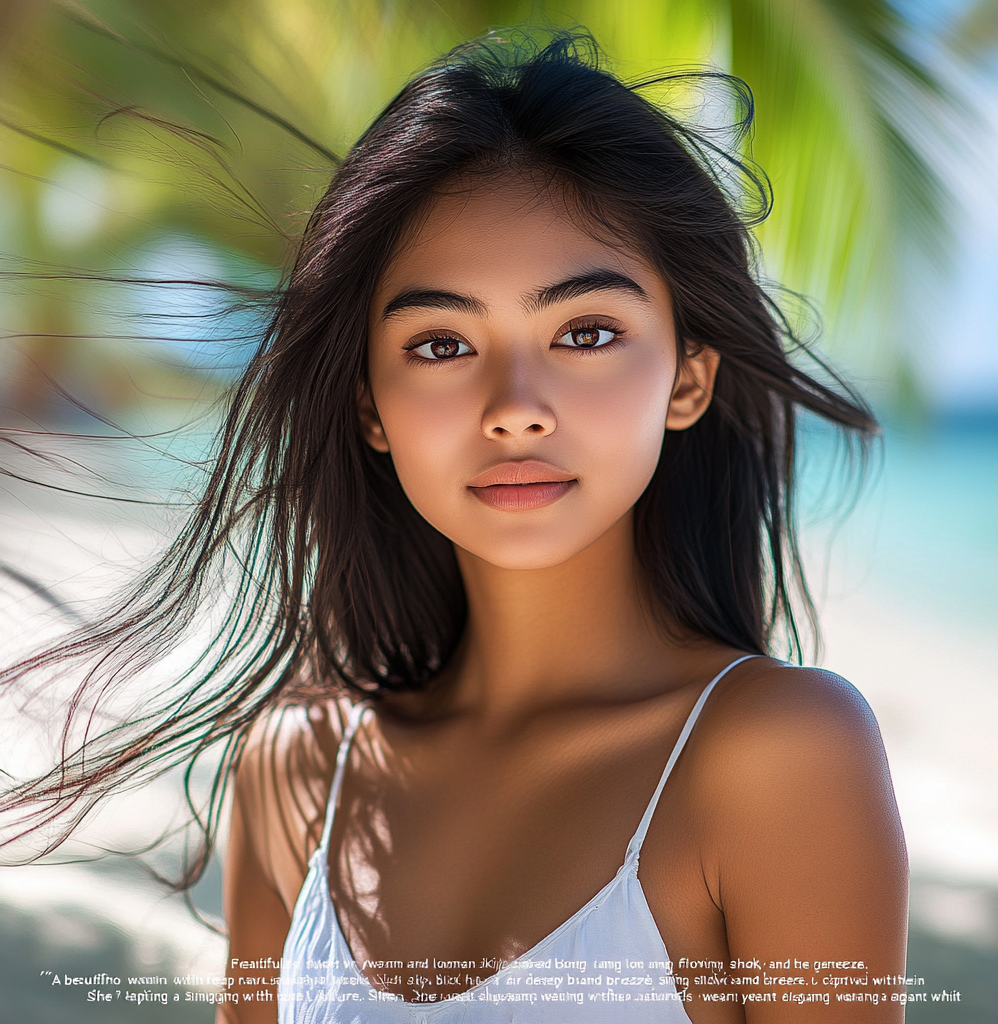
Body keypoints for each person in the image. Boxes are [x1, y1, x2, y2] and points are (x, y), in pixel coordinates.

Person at [2, 31, 909, 1024]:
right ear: (370, 408)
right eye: (440, 343)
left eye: (586, 333)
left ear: (688, 377)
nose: (514, 405)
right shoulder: (298, 761)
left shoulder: (778, 752)